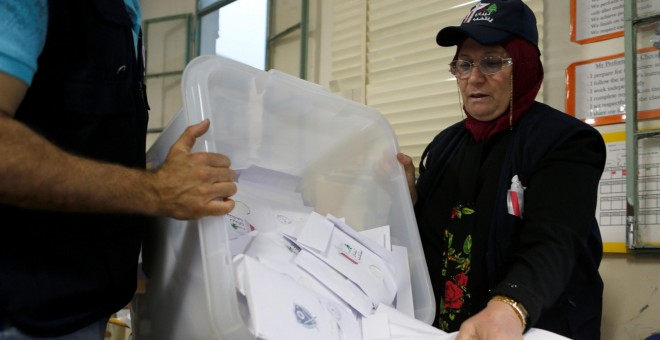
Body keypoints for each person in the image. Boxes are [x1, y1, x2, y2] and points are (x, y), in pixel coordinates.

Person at [0, 1, 237, 339]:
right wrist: (155, 189)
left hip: (81, 307)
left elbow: (77, 133)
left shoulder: (122, 11)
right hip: (27, 316)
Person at [397, 1, 606, 339]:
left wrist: (510, 305)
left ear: (523, 65)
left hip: (531, 325)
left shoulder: (567, 142)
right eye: (464, 64)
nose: (473, 78)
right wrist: (408, 201)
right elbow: (437, 238)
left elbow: (554, 240)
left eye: (492, 62)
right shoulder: (444, 145)